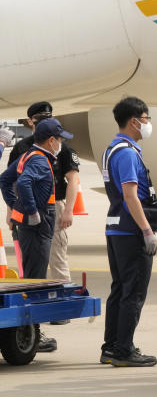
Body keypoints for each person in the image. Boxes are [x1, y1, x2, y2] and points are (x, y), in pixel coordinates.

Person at [0, 118, 74, 353]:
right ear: (51, 140)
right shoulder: (41, 161)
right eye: (60, 139)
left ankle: (31, 330)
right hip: (38, 225)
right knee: (35, 280)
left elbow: (5, 179)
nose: (61, 143)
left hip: (31, 224)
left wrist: (16, 206)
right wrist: (31, 211)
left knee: (32, 277)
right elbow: (22, 183)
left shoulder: (27, 155)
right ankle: (33, 333)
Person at [100, 96, 157, 367]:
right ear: (134, 121)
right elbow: (130, 195)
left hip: (116, 228)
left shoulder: (112, 149)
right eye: (146, 119)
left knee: (119, 290)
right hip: (130, 232)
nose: (148, 124)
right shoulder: (126, 152)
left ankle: (111, 346)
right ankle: (123, 351)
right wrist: (147, 230)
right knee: (133, 293)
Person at [7, 101, 81, 285]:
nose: (43, 122)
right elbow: (11, 181)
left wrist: (68, 210)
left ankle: (62, 308)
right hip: (25, 207)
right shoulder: (21, 148)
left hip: (54, 207)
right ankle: (35, 304)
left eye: (48, 118)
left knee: (57, 259)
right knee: (32, 262)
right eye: (40, 119)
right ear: (30, 121)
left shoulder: (62, 146)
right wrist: (10, 211)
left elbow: (73, 179)